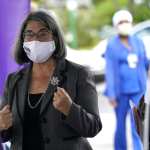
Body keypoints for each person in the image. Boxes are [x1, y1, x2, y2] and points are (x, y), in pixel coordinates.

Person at [0, 11, 102, 150]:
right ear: (23, 40)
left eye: (43, 33)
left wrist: (70, 109)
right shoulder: (14, 80)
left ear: (54, 38)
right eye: (29, 34)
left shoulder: (78, 74)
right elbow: (5, 134)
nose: (35, 40)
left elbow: (93, 127)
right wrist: (1, 126)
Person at [104, 10, 148, 150]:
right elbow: (109, 69)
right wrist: (111, 93)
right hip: (120, 92)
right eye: (121, 22)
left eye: (127, 21)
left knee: (138, 123)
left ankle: (139, 148)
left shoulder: (138, 42)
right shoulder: (112, 45)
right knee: (121, 125)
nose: (125, 25)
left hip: (138, 90)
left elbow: (145, 62)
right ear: (116, 25)